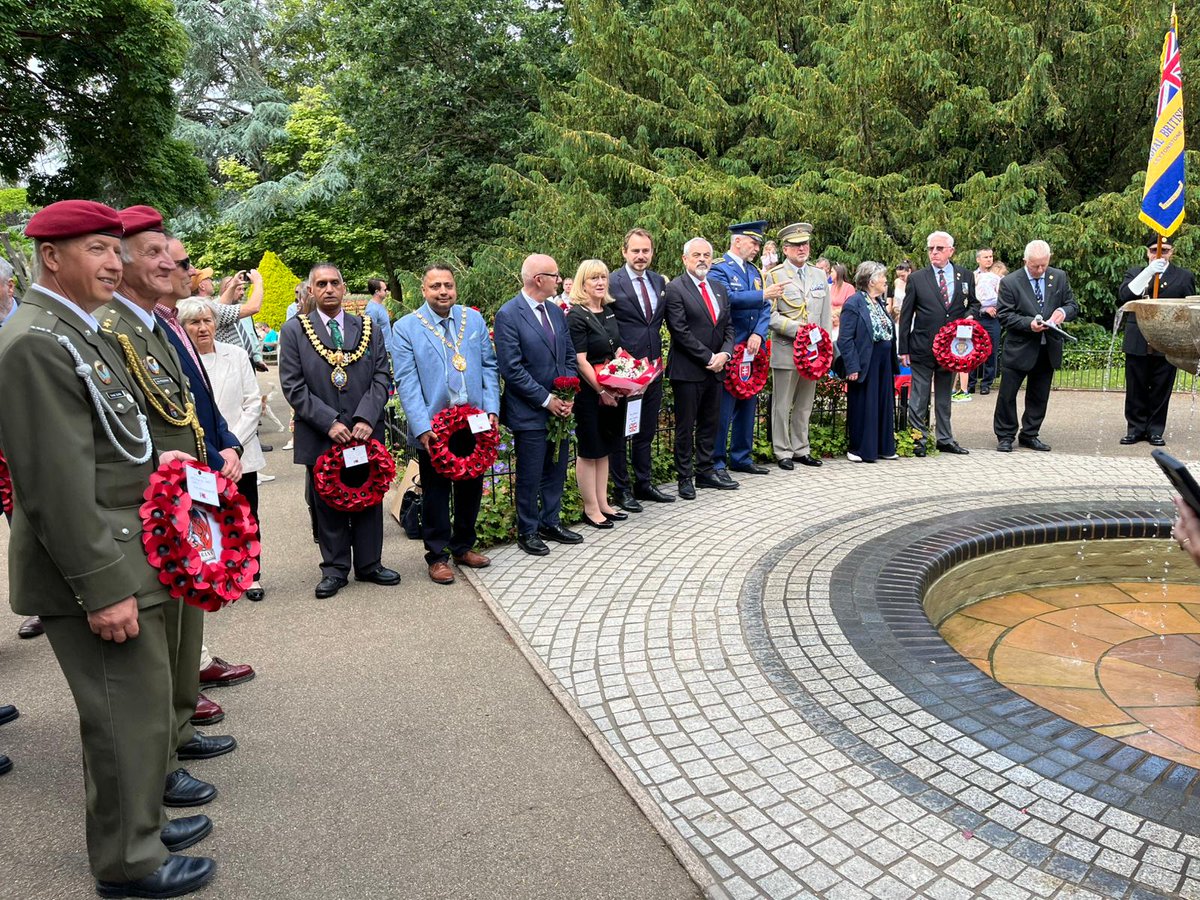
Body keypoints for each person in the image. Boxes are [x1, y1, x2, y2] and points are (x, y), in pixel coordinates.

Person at [0, 200, 216, 898]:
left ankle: (142, 824)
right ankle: (129, 863)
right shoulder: (38, 340)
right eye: (96, 249)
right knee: (123, 718)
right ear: (51, 258)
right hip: (93, 566)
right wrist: (102, 585)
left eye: (112, 250)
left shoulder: (76, 330)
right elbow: (55, 487)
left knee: (146, 708)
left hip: (128, 549)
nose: (114, 263)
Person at [102, 208, 240, 810]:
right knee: (158, 639)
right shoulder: (114, 328)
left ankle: (179, 729)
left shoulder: (154, 324)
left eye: (173, 254)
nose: (171, 264)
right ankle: (162, 754)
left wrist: (219, 451)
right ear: (122, 260)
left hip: (185, 492)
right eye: (154, 252)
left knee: (186, 624)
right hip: (157, 503)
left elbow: (188, 404)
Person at [279, 263, 399, 597]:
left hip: (363, 431)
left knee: (368, 494)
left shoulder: (368, 327)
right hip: (322, 432)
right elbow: (293, 385)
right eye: (322, 284)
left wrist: (364, 418)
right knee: (327, 501)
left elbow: (381, 376)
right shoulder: (294, 331)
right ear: (312, 290)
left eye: (335, 283)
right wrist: (329, 421)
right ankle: (334, 569)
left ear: (344, 288)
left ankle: (369, 564)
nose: (329, 289)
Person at [391, 265, 498, 584]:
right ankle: (437, 556)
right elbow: (407, 381)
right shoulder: (407, 328)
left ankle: (463, 546)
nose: (443, 291)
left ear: (455, 288)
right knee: (436, 491)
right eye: (435, 286)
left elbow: (490, 366)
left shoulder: (473, 320)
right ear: (423, 291)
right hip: (436, 425)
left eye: (448, 285)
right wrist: (422, 426)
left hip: (475, 420)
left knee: (471, 486)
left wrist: (492, 408)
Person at [179, 297, 267, 601]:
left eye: (207, 321)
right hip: (201, 456)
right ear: (182, 326)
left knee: (246, 514)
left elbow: (252, 402)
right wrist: (213, 452)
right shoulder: (179, 361)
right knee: (206, 519)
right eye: (194, 322)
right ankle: (214, 576)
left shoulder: (237, 354)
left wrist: (234, 447)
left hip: (239, 455)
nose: (203, 328)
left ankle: (251, 575)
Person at [493, 254, 582, 556]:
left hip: (561, 409)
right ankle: (528, 530)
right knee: (530, 475)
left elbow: (569, 355)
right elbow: (512, 368)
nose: (560, 280)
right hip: (530, 411)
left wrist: (567, 394)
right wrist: (547, 400)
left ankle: (550, 521)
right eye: (555, 275)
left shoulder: (556, 312)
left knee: (556, 469)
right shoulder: (508, 314)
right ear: (537, 279)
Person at [664, 237, 734, 499]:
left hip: (716, 369)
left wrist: (725, 354)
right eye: (696, 255)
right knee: (685, 426)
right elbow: (679, 331)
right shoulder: (675, 289)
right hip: (689, 370)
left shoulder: (718, 287)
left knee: (710, 423)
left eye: (706, 255)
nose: (702, 259)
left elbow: (728, 326)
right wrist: (709, 357)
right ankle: (685, 477)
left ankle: (705, 471)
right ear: (685, 259)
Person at [898, 230, 979, 457]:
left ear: (951, 251)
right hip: (923, 346)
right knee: (920, 396)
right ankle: (918, 439)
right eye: (931, 248)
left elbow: (973, 303)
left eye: (939, 248)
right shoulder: (917, 278)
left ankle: (945, 438)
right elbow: (906, 314)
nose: (934, 252)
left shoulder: (965, 276)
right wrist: (903, 348)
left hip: (952, 349)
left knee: (944, 397)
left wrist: (970, 316)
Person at [608, 228, 672, 510]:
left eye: (645, 250)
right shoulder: (612, 282)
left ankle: (643, 483)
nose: (641, 256)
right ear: (624, 252)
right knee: (621, 432)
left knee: (646, 429)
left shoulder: (658, 281)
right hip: (626, 373)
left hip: (654, 368)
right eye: (635, 251)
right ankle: (622, 489)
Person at [993, 240, 1078, 452]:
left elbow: (1072, 304)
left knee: (1039, 395)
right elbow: (1004, 315)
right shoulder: (1011, 282)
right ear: (1025, 261)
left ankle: (1030, 433)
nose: (1040, 270)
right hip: (1020, 347)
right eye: (1035, 266)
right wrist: (1028, 324)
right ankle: (1005, 435)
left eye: (1044, 265)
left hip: (1047, 347)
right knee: (1007, 394)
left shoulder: (1058, 277)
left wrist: (1063, 313)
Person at [709, 220, 775, 481]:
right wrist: (762, 296)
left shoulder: (755, 272)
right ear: (737, 241)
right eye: (753, 242)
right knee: (723, 409)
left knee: (748, 402)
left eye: (759, 244)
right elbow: (725, 299)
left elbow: (766, 306)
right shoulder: (719, 269)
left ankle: (741, 456)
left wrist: (759, 332)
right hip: (730, 346)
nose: (757, 248)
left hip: (751, 349)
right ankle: (716, 462)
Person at [764, 222, 831, 471]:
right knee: (782, 404)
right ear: (785, 248)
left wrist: (825, 347)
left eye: (804, 244)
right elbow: (769, 317)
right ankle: (782, 451)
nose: (801, 248)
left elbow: (824, 314)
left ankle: (802, 448)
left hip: (813, 353)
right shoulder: (775, 275)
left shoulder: (819, 275)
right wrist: (798, 330)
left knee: (805, 403)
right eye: (795, 245)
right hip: (787, 348)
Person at [1118, 238, 1196, 446]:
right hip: (1138, 338)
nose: (1159, 254)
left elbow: (1189, 310)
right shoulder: (1136, 273)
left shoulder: (1183, 276)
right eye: (1154, 250)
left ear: (1172, 252)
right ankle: (1135, 429)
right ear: (1147, 252)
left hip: (1168, 340)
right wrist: (1149, 272)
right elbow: (1125, 296)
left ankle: (1155, 430)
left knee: (1162, 388)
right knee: (1136, 387)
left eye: (1164, 251)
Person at [567, 259, 627, 529]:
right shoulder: (577, 316)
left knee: (605, 448)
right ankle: (590, 508)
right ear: (583, 283)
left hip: (612, 391)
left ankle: (603, 502)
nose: (601, 283)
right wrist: (601, 389)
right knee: (590, 450)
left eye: (603, 277)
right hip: (591, 393)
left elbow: (616, 349)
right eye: (594, 279)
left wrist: (634, 372)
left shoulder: (608, 310)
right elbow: (580, 361)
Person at [837, 262, 898, 463]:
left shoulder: (879, 302)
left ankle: (883, 446)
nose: (885, 281)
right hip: (865, 361)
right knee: (865, 404)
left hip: (883, 361)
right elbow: (845, 339)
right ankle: (861, 449)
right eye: (882, 277)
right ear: (871, 281)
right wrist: (852, 366)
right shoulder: (854, 302)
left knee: (883, 403)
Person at [968, 248, 1002, 397]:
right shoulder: (972, 276)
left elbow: (1002, 299)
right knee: (973, 349)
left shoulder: (996, 278)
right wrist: (983, 309)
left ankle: (986, 383)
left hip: (991, 319)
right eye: (985, 257)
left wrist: (993, 308)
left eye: (991, 257)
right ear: (978, 259)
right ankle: (970, 383)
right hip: (976, 317)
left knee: (991, 351)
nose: (989, 259)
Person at [828, 262, 854, 330]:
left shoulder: (849, 287)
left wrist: (834, 314)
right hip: (830, 320)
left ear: (838, 273)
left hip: (843, 321)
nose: (830, 274)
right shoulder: (830, 287)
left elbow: (850, 307)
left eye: (832, 272)